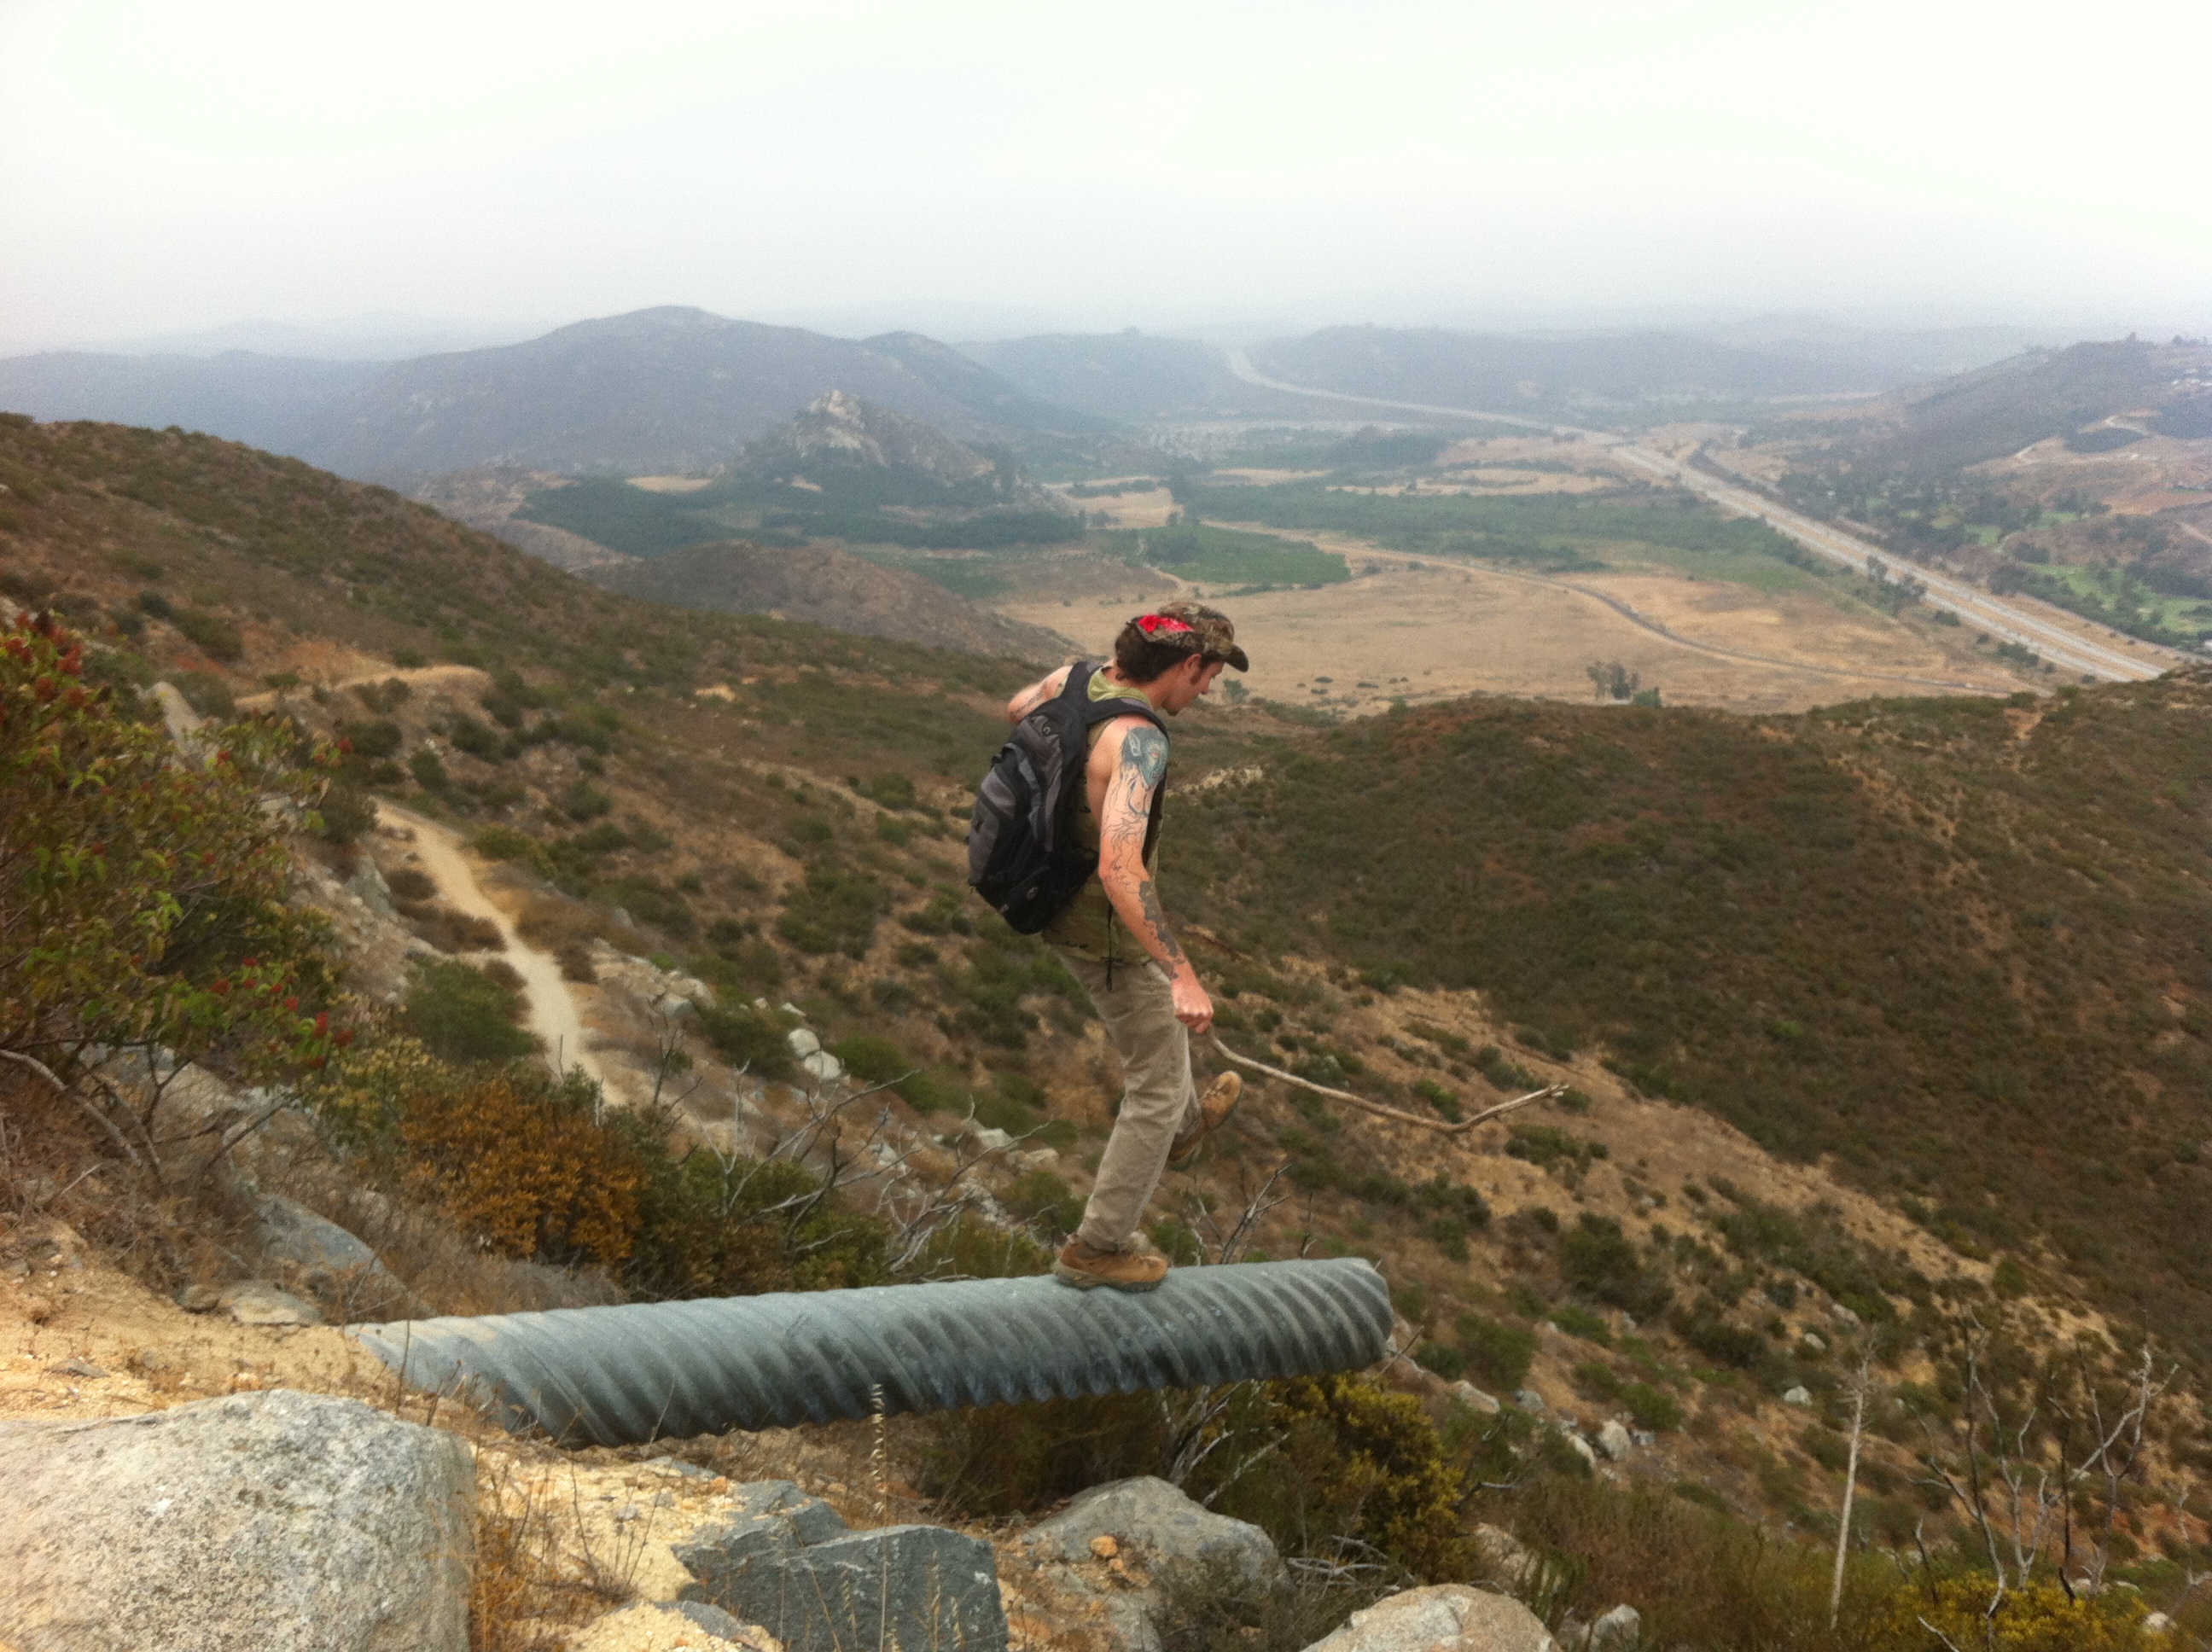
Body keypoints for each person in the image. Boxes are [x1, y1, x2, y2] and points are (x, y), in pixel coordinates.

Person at [1001, 602, 1250, 1292]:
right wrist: (1182, 973)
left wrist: (1071, 793)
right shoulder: (1140, 742)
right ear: (1186, 664)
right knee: (1154, 1086)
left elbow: (1017, 710)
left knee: (1160, 1060)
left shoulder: (1076, 677)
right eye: (1208, 676)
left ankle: (1184, 1124)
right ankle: (1097, 1247)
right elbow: (1120, 869)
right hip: (1103, 931)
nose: (1207, 690)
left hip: (1051, 896)